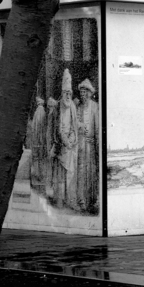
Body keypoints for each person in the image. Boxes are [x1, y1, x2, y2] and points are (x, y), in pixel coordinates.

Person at [48, 69, 79, 209]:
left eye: (70, 93)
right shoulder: (59, 106)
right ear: (62, 93)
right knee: (59, 175)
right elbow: (58, 128)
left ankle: (69, 200)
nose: (68, 95)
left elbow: (74, 125)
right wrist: (65, 141)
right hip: (61, 144)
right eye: (66, 93)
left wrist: (72, 139)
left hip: (69, 145)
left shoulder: (72, 106)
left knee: (70, 174)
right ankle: (59, 200)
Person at [75, 78, 100, 213]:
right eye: (81, 93)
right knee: (81, 172)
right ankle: (81, 200)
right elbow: (76, 123)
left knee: (91, 172)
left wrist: (95, 141)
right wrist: (80, 127)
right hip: (80, 144)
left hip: (90, 146)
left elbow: (97, 128)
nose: (83, 95)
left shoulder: (95, 107)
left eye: (85, 93)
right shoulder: (78, 108)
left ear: (90, 93)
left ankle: (92, 200)